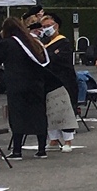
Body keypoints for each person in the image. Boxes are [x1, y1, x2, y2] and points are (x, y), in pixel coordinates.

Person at [0, 17, 54, 159]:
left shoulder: (8, 43)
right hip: (36, 84)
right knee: (39, 115)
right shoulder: (32, 42)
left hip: (17, 85)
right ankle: (41, 150)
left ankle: (17, 151)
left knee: (17, 116)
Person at [35, 13, 79, 151]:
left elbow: (57, 59)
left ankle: (67, 141)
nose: (46, 29)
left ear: (56, 26)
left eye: (49, 26)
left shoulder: (63, 42)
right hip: (49, 81)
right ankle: (53, 139)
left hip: (64, 80)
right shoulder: (44, 43)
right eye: (44, 27)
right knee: (51, 110)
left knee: (64, 110)